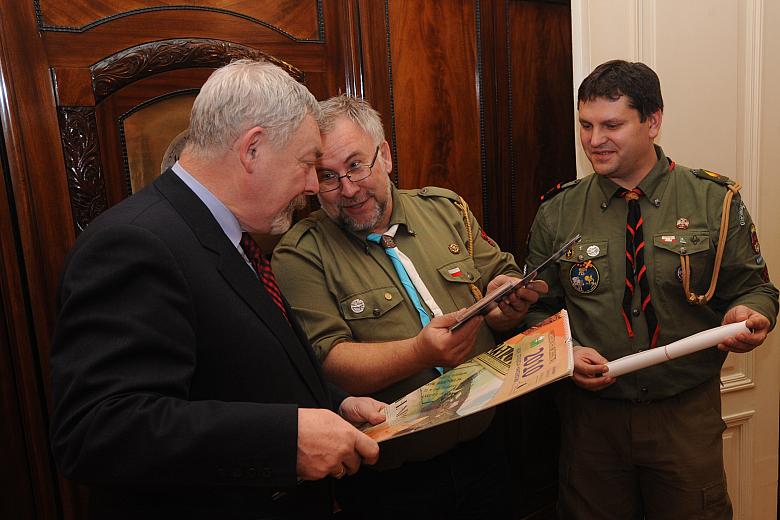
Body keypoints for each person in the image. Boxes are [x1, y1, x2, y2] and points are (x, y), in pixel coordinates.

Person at [49, 60, 386, 520]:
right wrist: (285, 441)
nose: (312, 185)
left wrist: (334, 405)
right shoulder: (134, 242)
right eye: (308, 163)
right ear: (253, 149)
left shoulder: (233, 234)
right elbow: (98, 430)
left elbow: (243, 367)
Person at [524, 60, 779, 519]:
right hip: (592, 424)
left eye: (611, 124)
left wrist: (749, 314)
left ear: (653, 121)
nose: (594, 139)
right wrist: (568, 352)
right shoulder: (558, 213)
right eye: (586, 125)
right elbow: (536, 311)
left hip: (683, 418)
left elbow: (757, 290)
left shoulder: (713, 200)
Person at [272, 94, 547, 519]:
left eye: (356, 165)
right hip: (392, 484)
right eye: (328, 176)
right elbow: (326, 361)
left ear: (384, 156)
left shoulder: (446, 210)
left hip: (488, 453)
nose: (347, 189)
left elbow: (498, 287)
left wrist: (506, 304)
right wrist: (420, 353)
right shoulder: (300, 254)